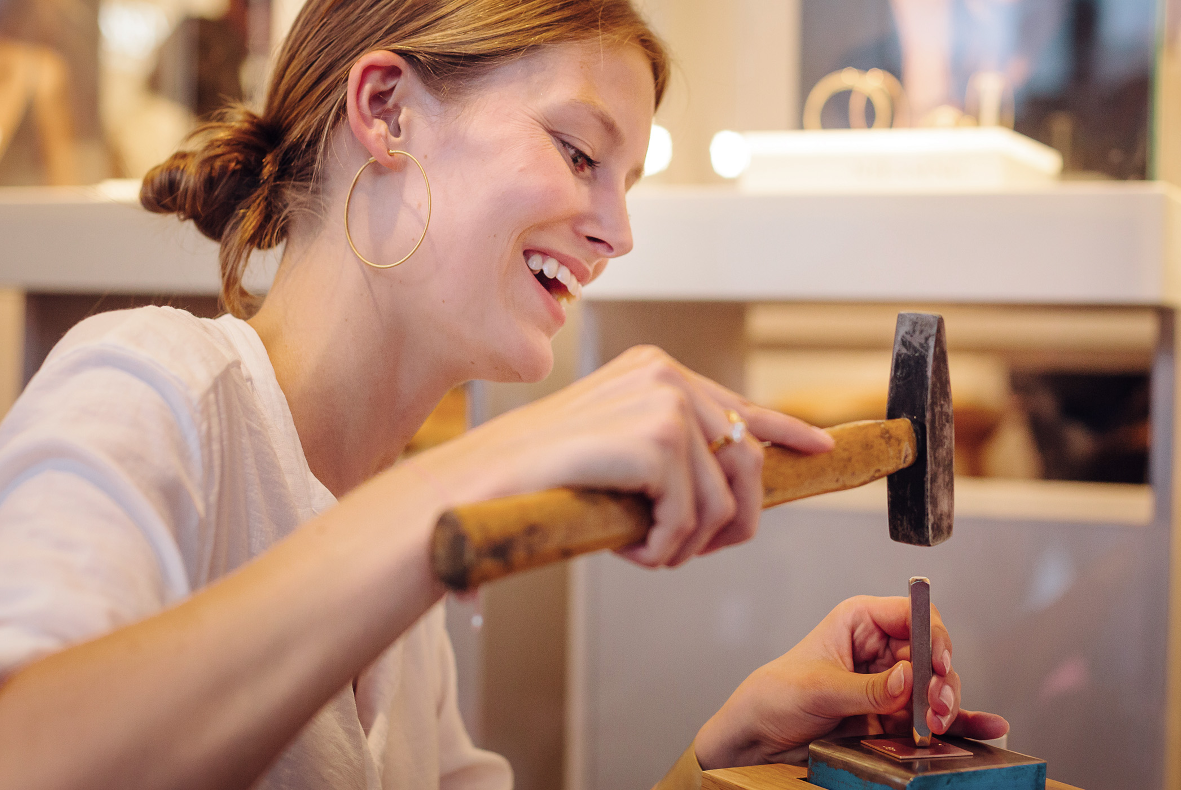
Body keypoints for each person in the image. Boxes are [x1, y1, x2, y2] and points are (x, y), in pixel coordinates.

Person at [0, 1, 1007, 788]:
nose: (617, 233)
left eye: (625, 180)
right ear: (386, 110)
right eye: (578, 153)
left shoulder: (398, 597)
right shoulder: (149, 391)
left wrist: (724, 756)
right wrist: (477, 474)